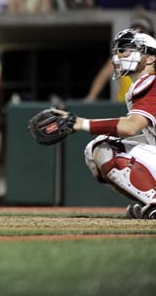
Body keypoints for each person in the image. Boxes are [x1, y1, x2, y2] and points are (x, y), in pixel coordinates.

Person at [54, 28, 156, 219]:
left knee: (103, 147)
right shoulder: (144, 84)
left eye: (128, 49)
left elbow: (130, 127)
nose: (121, 55)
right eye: (119, 50)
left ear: (150, 58)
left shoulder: (152, 83)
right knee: (96, 151)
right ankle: (148, 202)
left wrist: (81, 123)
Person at [85, 15, 155, 102]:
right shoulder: (121, 56)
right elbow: (103, 76)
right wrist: (90, 98)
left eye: (141, 32)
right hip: (125, 107)